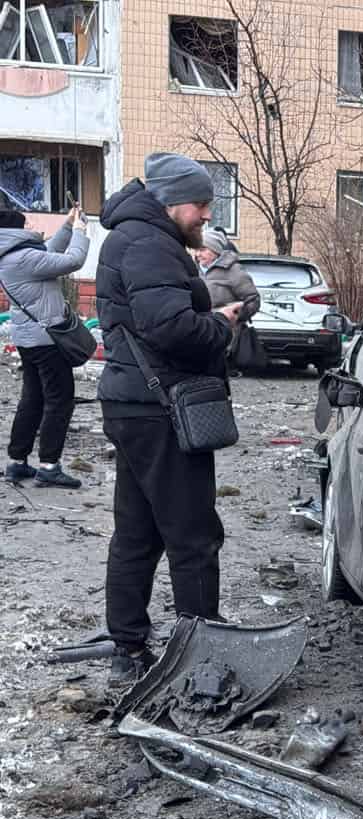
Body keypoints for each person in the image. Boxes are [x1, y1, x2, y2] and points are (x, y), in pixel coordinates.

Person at [95, 153, 242, 683]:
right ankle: (200, 652)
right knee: (192, 534)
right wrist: (220, 325)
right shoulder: (150, 243)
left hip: (136, 404)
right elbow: (172, 329)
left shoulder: (136, 237)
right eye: (201, 203)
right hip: (161, 410)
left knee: (137, 533)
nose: (206, 213)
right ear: (171, 201)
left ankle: (128, 650)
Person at [0, 202, 90, 488]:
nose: (29, 227)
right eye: (24, 225)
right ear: (14, 231)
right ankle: (49, 466)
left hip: (28, 339)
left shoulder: (11, 255)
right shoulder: (24, 257)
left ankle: (17, 462)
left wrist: (66, 224)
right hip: (47, 340)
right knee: (59, 401)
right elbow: (73, 261)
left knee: (33, 399)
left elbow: (48, 253)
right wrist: (80, 231)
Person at [196, 228, 260, 367]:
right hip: (200, 330)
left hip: (224, 334)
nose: (198, 254)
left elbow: (253, 300)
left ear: (215, 250)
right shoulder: (194, 270)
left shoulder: (233, 270)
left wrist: (234, 317)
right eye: (197, 250)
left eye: (203, 250)